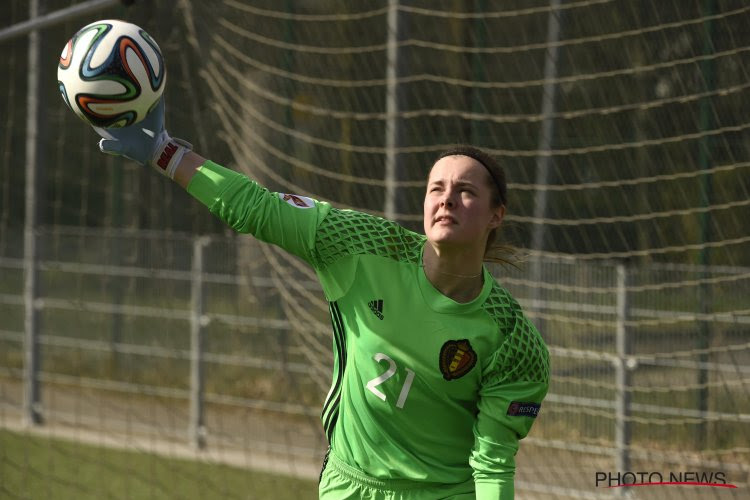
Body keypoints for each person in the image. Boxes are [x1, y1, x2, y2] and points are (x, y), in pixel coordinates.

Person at [94, 99, 549, 499]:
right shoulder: (360, 244)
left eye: (466, 191)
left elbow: (492, 463)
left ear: (496, 215)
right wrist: (164, 152)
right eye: (436, 188)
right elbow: (255, 206)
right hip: (348, 487)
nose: (447, 199)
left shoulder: (513, 340)